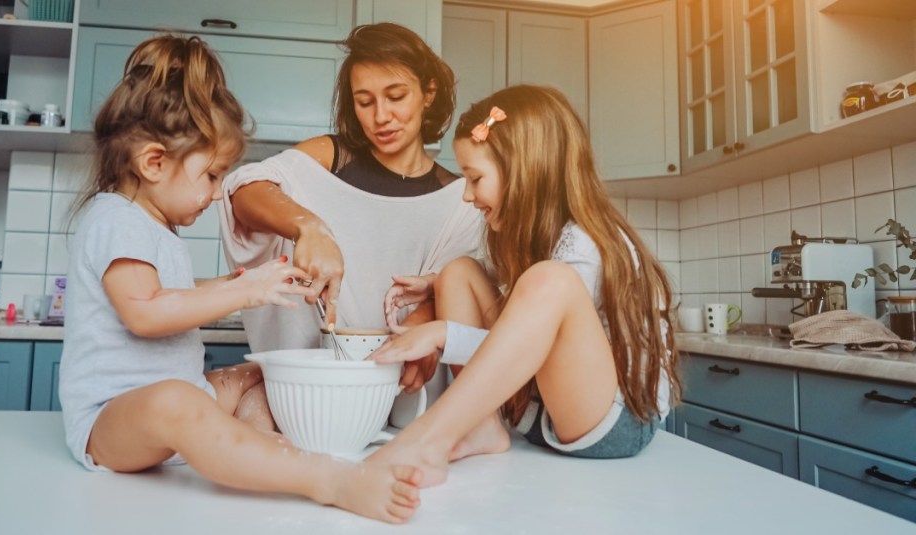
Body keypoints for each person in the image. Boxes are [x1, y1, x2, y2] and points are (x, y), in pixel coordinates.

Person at [58, 35, 422, 523]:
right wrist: (244, 290)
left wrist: (254, 279)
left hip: (180, 398)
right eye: (211, 177)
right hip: (111, 421)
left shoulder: (150, 224)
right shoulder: (115, 219)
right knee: (177, 401)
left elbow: (172, 296)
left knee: (267, 371)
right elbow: (144, 312)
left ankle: (261, 451)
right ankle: (325, 479)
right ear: (153, 163)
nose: (214, 196)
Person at [366, 85, 683, 487]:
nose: (467, 195)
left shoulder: (585, 247)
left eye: (475, 178)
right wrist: (433, 288)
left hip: (615, 421)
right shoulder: (530, 240)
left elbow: (532, 349)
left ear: (525, 172)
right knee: (458, 271)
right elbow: (518, 334)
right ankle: (481, 427)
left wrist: (444, 334)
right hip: (543, 412)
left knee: (549, 280)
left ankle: (429, 440)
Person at [219, 23, 483, 393]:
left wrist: (418, 329)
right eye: (365, 101)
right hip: (316, 385)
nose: (380, 116)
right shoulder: (331, 158)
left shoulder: (461, 200)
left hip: (413, 390)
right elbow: (243, 191)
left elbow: (450, 288)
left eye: (396, 96)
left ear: (428, 93)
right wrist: (308, 228)